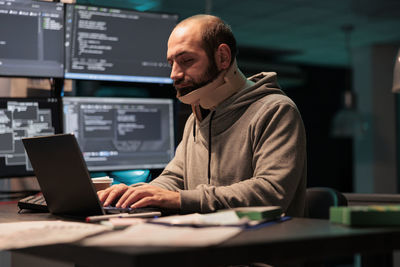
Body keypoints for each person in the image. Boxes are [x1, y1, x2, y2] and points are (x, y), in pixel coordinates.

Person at [98, 14, 307, 217]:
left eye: (186, 60)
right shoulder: (197, 118)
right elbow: (175, 178)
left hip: (259, 246)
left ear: (223, 57)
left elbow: (271, 192)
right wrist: (136, 193)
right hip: (207, 243)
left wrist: (180, 199)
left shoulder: (275, 110)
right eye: (172, 64)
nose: (174, 75)